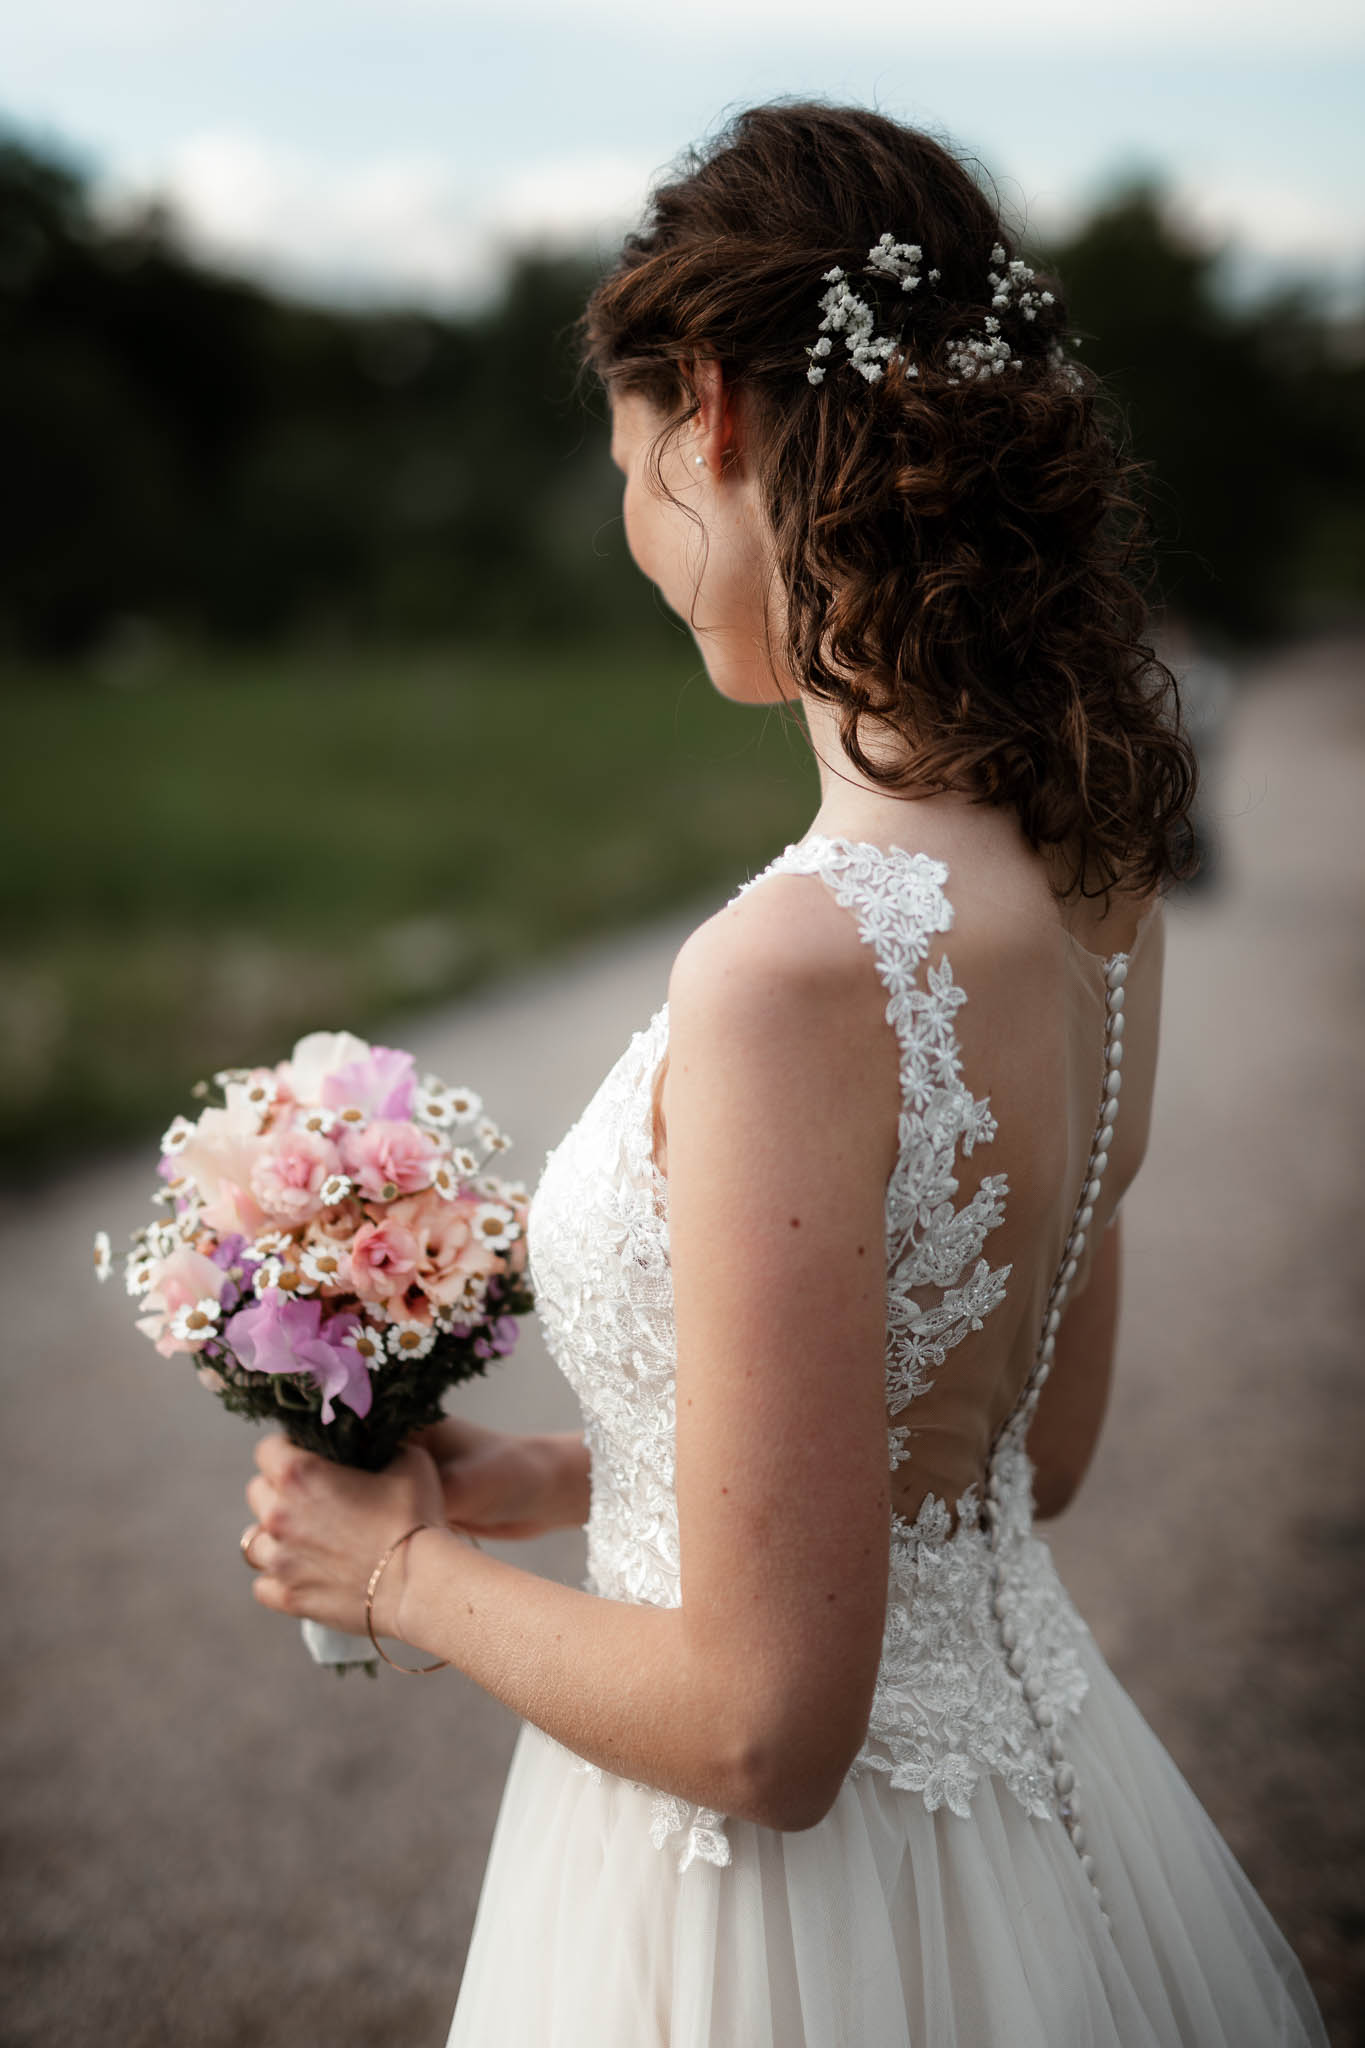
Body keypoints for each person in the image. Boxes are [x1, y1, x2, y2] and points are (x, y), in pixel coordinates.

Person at [239, 102, 1329, 2046]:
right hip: (1038, 1845)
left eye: (627, 459)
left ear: (716, 416)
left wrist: (389, 1565)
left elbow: (761, 1729)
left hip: (776, 1930)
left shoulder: (786, 974)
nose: (636, 523)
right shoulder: (1094, 888)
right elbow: (1009, 1456)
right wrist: (578, 1479)